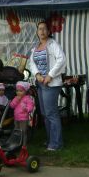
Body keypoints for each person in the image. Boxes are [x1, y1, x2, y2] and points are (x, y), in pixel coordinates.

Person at [29, 21, 66, 151]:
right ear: (37, 32)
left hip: (51, 84)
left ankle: (56, 144)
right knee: (45, 114)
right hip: (40, 83)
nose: (42, 31)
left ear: (49, 31)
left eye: (44, 29)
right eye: (40, 29)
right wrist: (37, 74)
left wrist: (50, 75)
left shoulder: (53, 44)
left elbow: (62, 59)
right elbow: (31, 63)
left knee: (51, 113)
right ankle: (51, 140)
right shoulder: (35, 47)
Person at [9, 81, 35, 146]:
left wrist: (26, 109)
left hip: (24, 119)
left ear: (25, 91)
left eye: (21, 91)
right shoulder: (16, 98)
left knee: (23, 132)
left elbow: (31, 107)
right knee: (16, 131)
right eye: (17, 91)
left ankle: (23, 145)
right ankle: (17, 143)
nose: (18, 92)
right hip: (16, 118)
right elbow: (12, 106)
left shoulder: (27, 98)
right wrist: (16, 100)